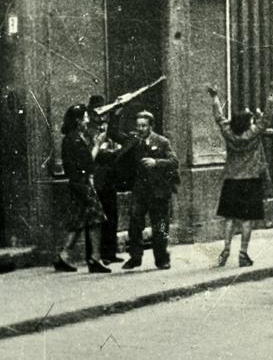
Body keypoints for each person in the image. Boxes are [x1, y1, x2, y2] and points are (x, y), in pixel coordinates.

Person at [208, 86, 270, 267]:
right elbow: (266, 119)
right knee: (246, 220)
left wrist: (215, 98)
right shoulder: (253, 133)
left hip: (231, 180)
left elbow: (219, 118)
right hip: (250, 180)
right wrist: (271, 94)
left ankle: (226, 249)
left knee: (229, 217)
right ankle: (243, 253)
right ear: (248, 122)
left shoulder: (229, 132)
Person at [111, 110, 180, 270]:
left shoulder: (162, 141)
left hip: (158, 191)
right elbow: (113, 133)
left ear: (151, 126)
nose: (140, 129)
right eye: (138, 125)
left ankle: (162, 259)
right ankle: (135, 257)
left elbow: (174, 161)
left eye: (144, 125)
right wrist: (117, 113)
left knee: (160, 225)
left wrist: (156, 162)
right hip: (140, 190)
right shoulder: (133, 140)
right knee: (135, 223)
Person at [54, 104, 111, 273]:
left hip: (76, 184)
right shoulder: (76, 140)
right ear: (78, 121)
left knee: (79, 222)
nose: (88, 120)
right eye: (85, 117)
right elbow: (88, 162)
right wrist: (97, 145)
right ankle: (94, 258)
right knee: (96, 219)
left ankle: (63, 256)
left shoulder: (71, 138)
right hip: (82, 184)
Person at [86, 96, 124, 265]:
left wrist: (116, 115)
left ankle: (110, 252)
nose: (101, 115)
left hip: (109, 175)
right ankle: (96, 254)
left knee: (111, 214)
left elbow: (113, 137)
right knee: (97, 218)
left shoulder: (104, 127)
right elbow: (92, 154)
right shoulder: (88, 129)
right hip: (96, 176)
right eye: (98, 111)